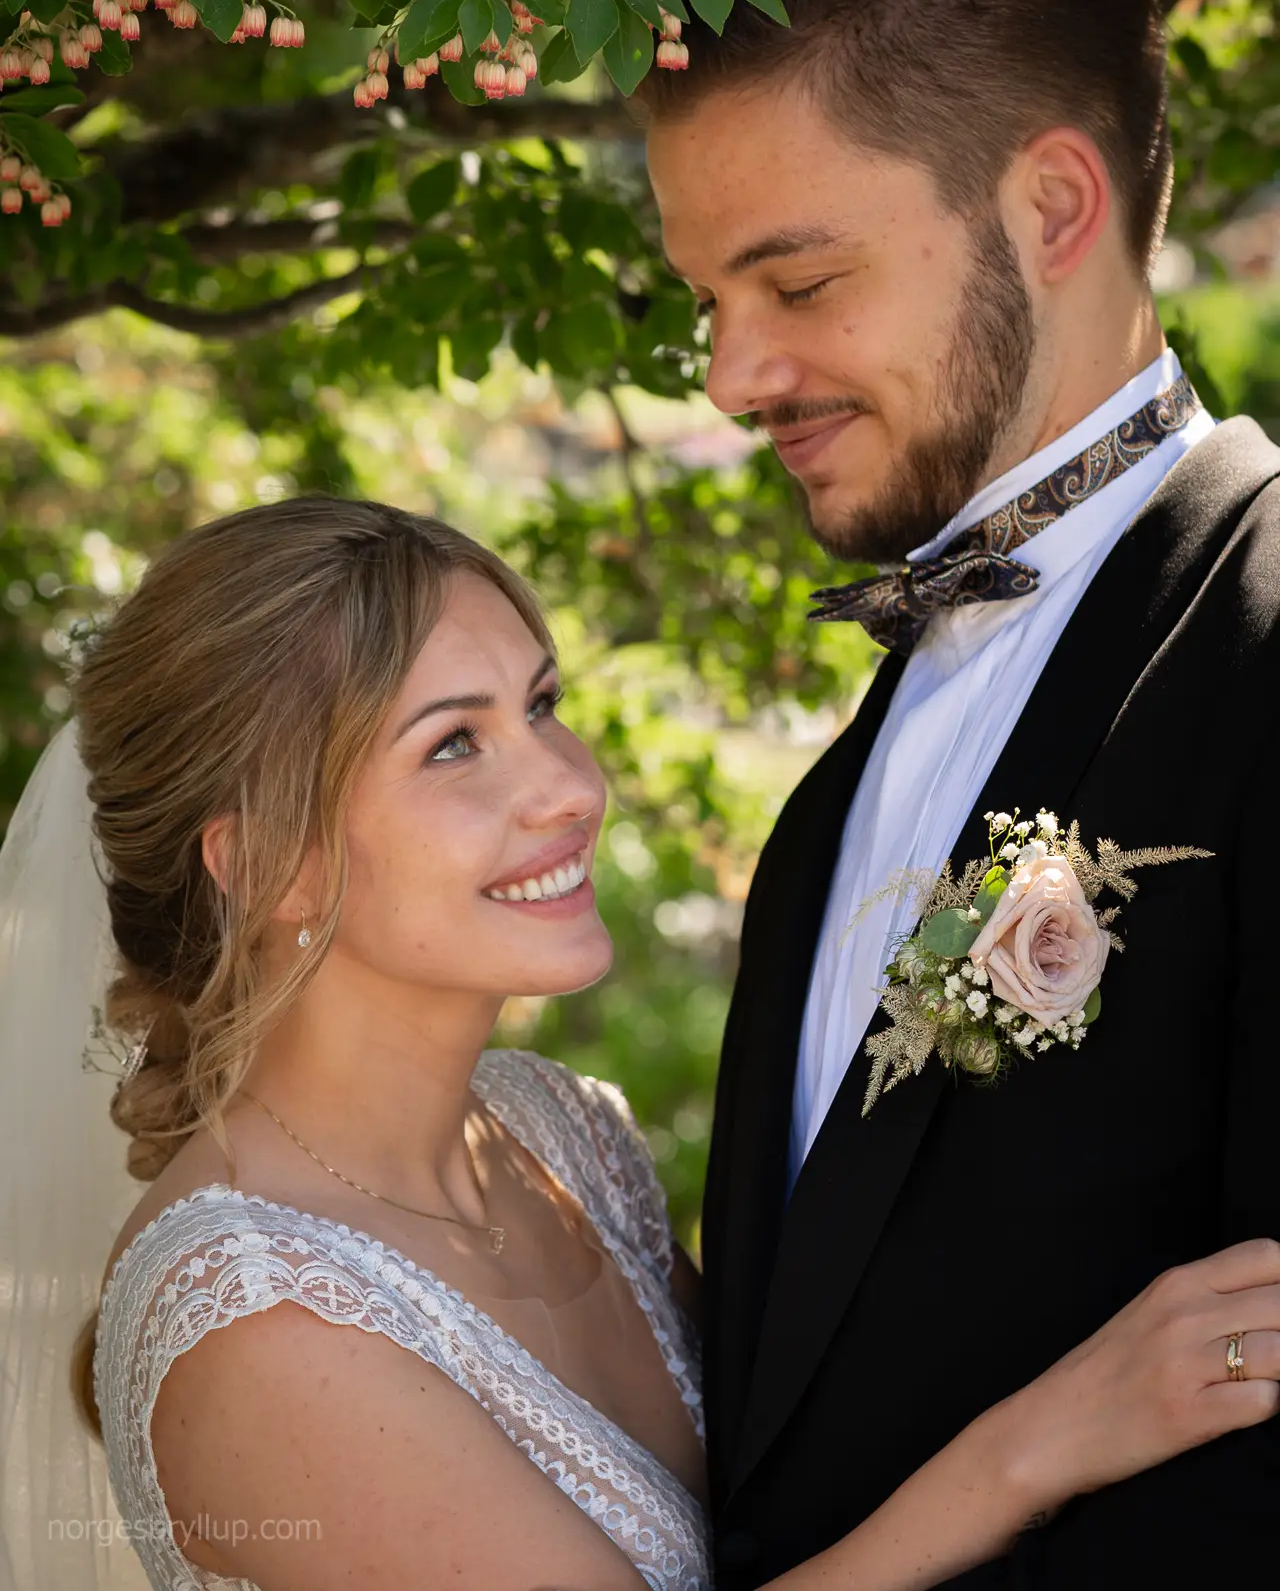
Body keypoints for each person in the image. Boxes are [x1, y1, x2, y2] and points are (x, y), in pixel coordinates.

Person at [1, 499, 1277, 1591]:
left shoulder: (559, 1133)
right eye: (453, 744)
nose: (571, 785)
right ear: (264, 860)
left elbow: (800, 1465)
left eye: (541, 704)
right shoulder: (255, 1323)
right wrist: (1043, 1443)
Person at [641, 0, 1280, 1588]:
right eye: (706, 303)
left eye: (797, 282)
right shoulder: (843, 780)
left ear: (1053, 208)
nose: (730, 377)